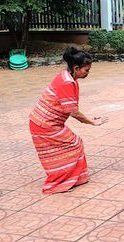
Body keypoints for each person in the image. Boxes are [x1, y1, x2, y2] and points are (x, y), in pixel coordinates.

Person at [29, 47, 108, 194]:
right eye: (86, 70)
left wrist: (88, 119)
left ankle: (71, 180)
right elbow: (73, 112)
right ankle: (58, 183)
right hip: (45, 125)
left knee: (72, 145)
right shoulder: (67, 82)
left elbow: (71, 108)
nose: (87, 73)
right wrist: (92, 122)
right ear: (76, 68)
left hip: (45, 123)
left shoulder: (66, 77)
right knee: (73, 145)